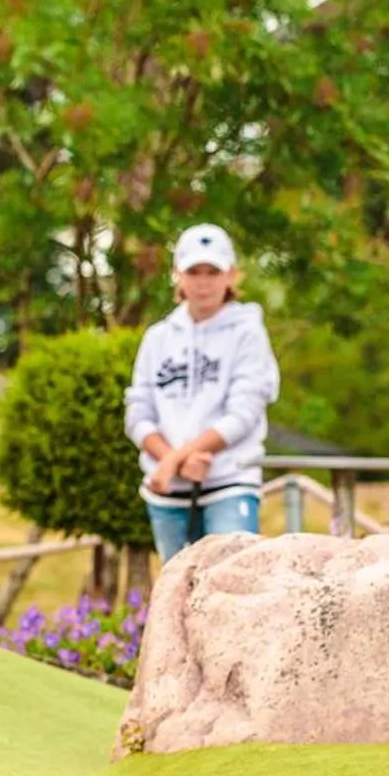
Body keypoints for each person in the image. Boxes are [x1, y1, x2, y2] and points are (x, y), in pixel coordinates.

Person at [124, 224, 281, 562]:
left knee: (233, 592)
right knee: (177, 600)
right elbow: (138, 413)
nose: (204, 281)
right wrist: (174, 462)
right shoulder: (158, 338)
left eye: (213, 271)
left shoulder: (248, 333)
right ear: (177, 275)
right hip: (167, 493)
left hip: (230, 481)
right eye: (194, 271)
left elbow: (243, 414)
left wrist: (172, 461)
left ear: (232, 275)